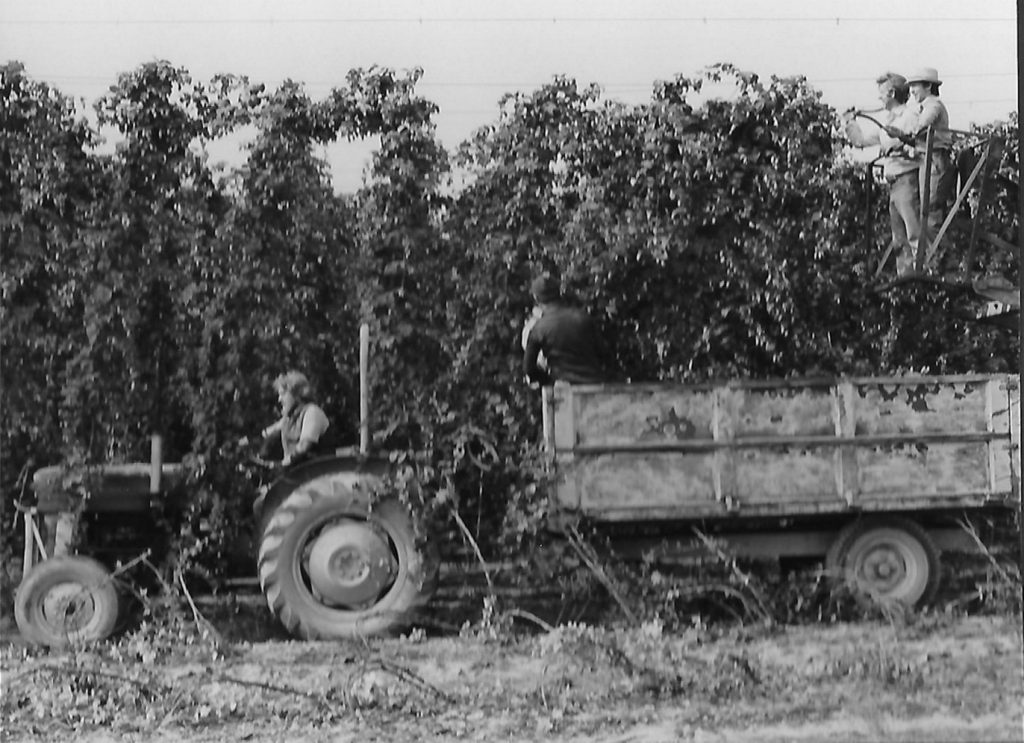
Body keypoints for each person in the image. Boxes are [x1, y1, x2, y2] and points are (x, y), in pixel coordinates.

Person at [844, 72, 921, 275]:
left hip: (907, 178)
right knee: (899, 238)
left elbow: (918, 144)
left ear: (892, 93)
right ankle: (906, 277)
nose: (879, 97)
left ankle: (924, 272)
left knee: (913, 230)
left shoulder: (909, 117)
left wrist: (898, 147)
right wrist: (850, 122)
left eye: (881, 93)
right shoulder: (887, 122)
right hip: (893, 183)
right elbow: (860, 141)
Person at [889, 67, 954, 248]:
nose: (912, 91)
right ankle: (935, 258)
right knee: (925, 210)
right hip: (926, 159)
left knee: (930, 210)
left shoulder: (933, 105)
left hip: (935, 160)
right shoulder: (924, 105)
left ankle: (940, 258)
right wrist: (900, 136)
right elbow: (916, 136)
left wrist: (902, 130)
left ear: (928, 86)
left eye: (915, 86)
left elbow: (921, 125)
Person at [522, 274, 607, 386]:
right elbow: (603, 354)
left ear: (536, 298)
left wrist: (547, 380)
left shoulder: (538, 328)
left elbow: (529, 368)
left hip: (563, 387)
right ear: (559, 293)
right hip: (593, 385)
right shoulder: (584, 318)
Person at [243, 370, 331, 467]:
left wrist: (281, 464)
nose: (279, 399)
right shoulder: (288, 419)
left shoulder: (312, 412)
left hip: (321, 473)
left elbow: (304, 446)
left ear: (297, 394)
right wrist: (241, 443)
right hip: (300, 473)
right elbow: (265, 434)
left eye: (283, 394)